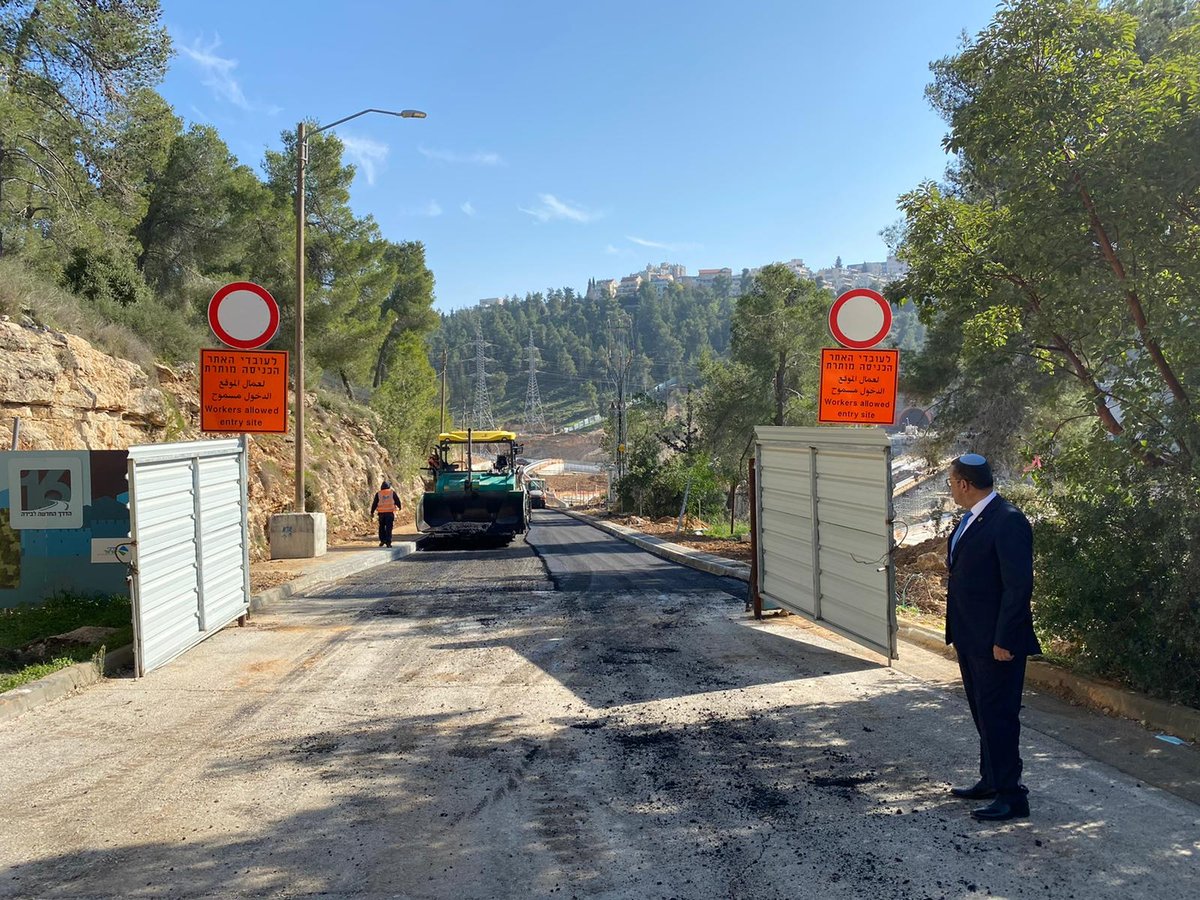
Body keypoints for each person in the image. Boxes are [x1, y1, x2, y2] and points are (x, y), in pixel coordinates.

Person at [944, 453, 1041, 822]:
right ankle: (991, 778)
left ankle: (1012, 795)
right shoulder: (973, 518)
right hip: (971, 636)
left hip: (996, 643)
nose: (951, 489)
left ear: (965, 484)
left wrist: (1005, 639)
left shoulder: (1008, 520)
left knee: (999, 716)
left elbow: (1018, 587)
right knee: (983, 713)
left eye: (952, 482)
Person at [370, 480, 400, 548]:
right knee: (389, 528)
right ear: (389, 486)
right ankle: (388, 542)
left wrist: (372, 512)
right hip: (389, 513)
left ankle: (382, 540)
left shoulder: (378, 493)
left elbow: (374, 503)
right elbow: (397, 500)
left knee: (381, 527)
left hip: (381, 514)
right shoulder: (392, 493)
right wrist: (399, 506)